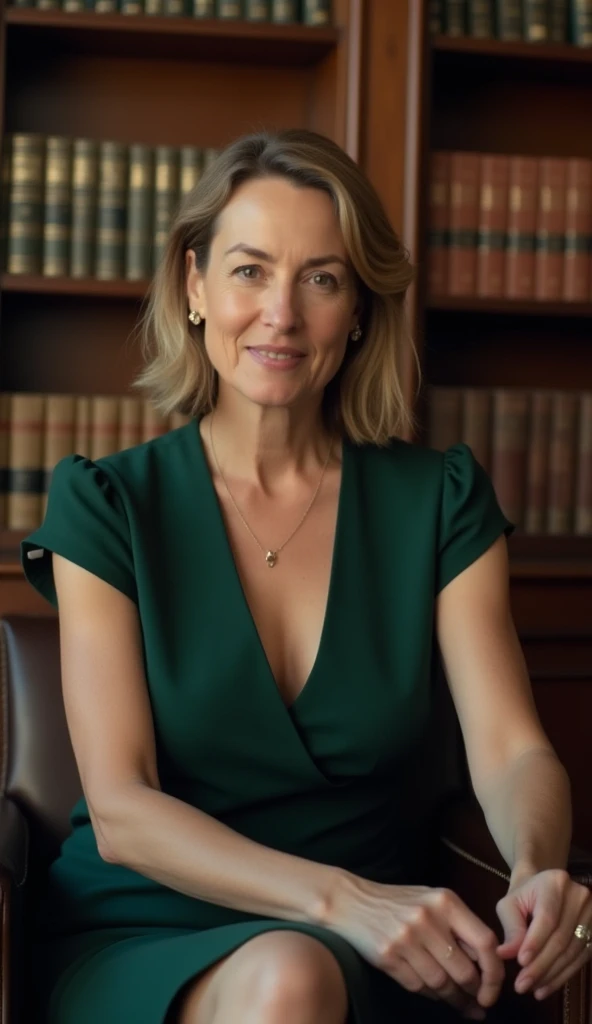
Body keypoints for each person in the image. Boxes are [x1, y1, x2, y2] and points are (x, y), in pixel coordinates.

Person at [21, 128, 589, 1024]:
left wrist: (536, 868)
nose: (281, 314)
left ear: (358, 307)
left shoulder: (440, 502)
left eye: (320, 279)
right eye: (249, 271)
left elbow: (513, 750)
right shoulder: (107, 504)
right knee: (286, 975)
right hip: (143, 933)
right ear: (195, 286)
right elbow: (123, 808)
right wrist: (339, 900)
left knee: (296, 974)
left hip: (382, 949)